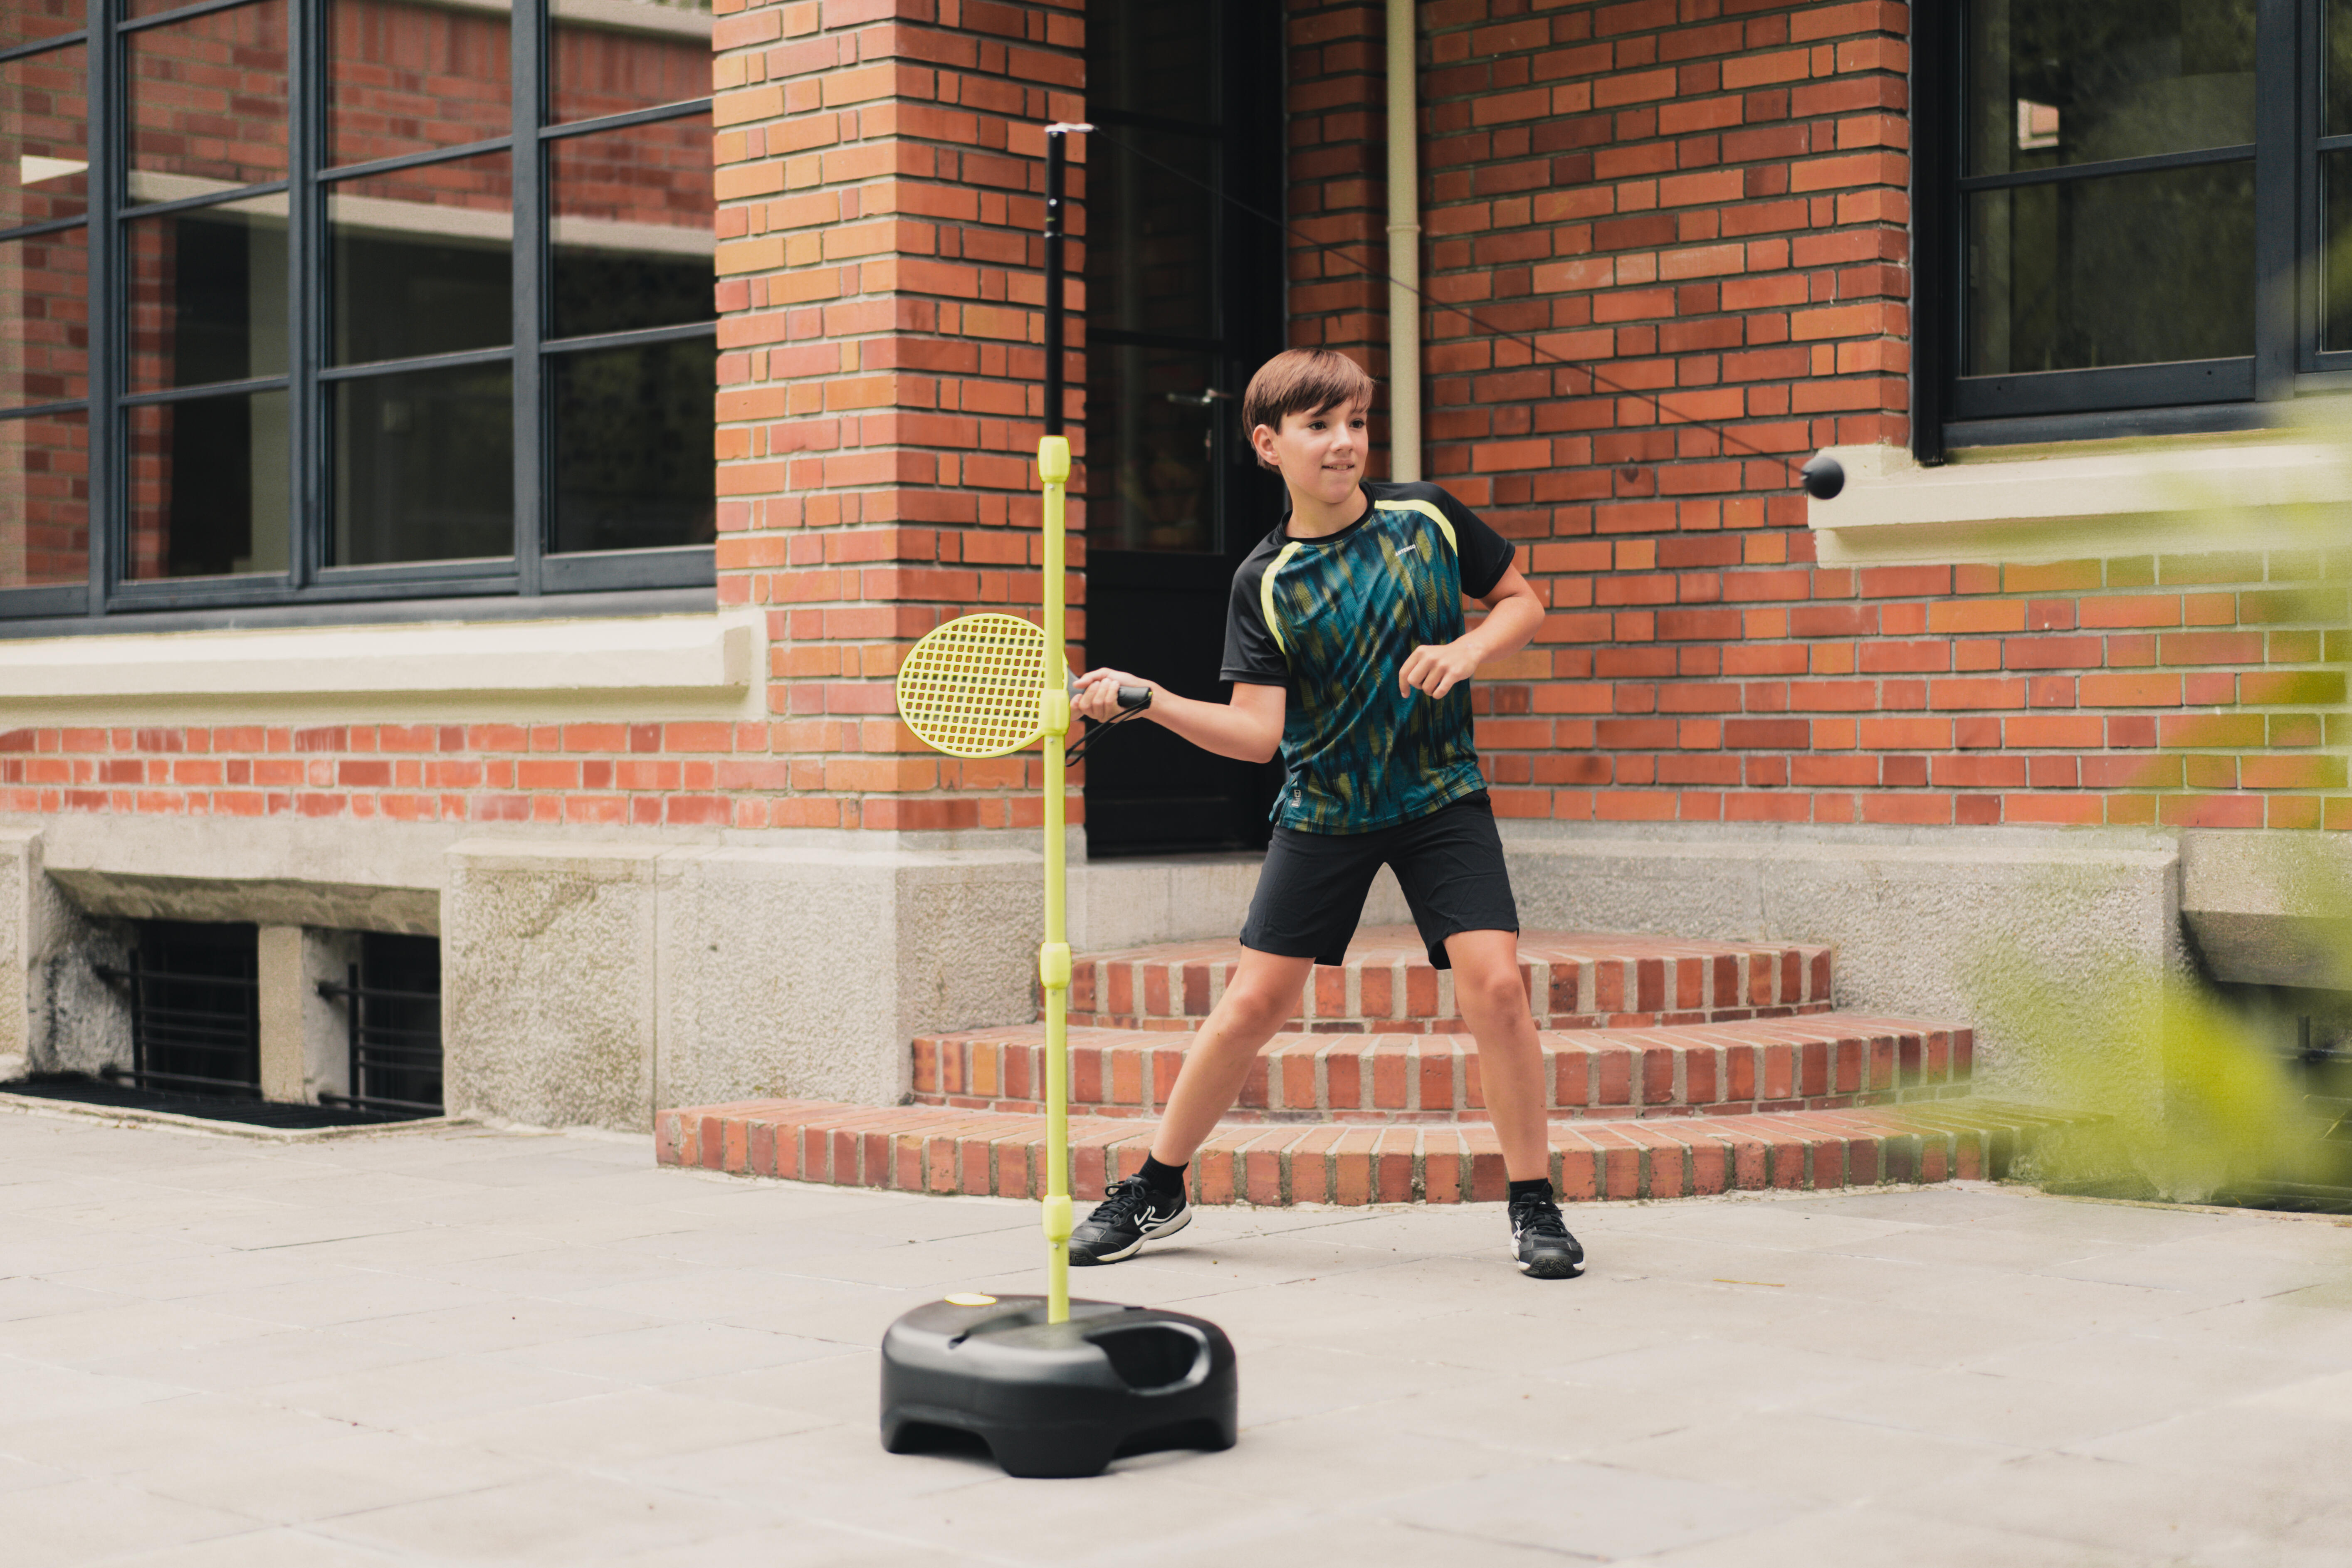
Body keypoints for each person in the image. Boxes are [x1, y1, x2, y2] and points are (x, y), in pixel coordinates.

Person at [1068, 348, 1582, 1279]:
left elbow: (1521, 601)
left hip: (1439, 796)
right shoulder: (1262, 581)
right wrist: (1151, 698)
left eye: (1354, 421)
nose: (1343, 443)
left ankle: (1532, 1199)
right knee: (1251, 1005)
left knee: (1496, 986)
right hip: (1325, 808)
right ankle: (1157, 1184)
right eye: (1318, 426)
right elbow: (1257, 736)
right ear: (1268, 444)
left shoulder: (1425, 515)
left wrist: (1467, 650)